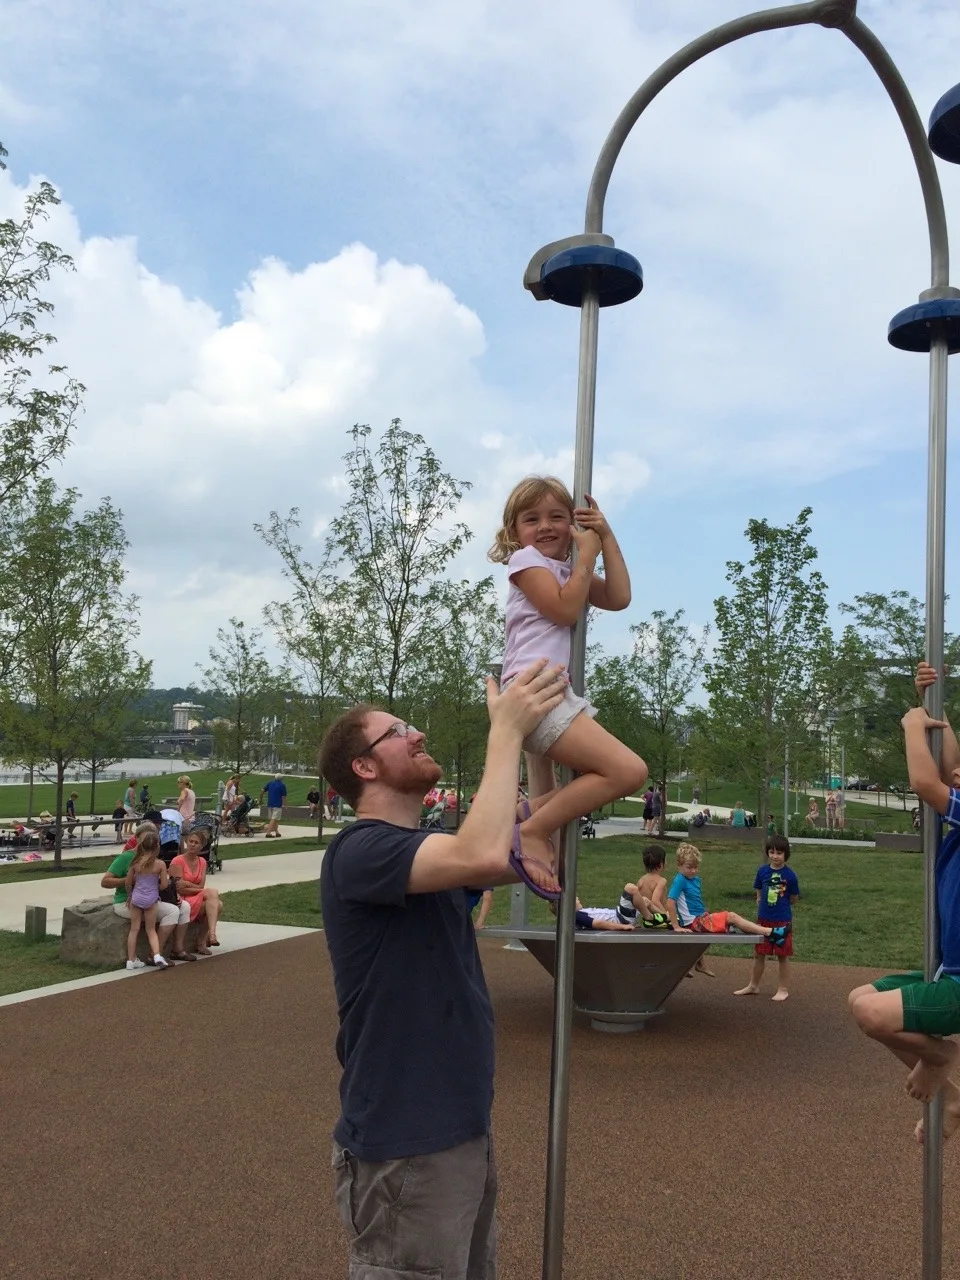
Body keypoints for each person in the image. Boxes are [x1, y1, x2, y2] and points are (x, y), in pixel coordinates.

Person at [319, 657, 566, 1276]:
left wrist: (537, 746)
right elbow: (482, 854)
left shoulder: (423, 852)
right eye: (397, 730)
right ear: (364, 766)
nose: (418, 733)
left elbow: (539, 855)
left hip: (457, 1127)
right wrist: (503, 732)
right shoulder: (361, 851)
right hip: (405, 1136)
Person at [488, 476, 647, 897]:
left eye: (557, 516)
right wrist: (586, 560)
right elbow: (561, 611)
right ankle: (534, 830)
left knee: (589, 780)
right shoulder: (525, 563)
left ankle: (528, 814)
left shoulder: (564, 570)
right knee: (628, 770)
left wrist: (605, 537)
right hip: (533, 689)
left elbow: (619, 597)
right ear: (513, 532)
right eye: (532, 518)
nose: (546, 526)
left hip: (551, 691)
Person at [849, 664, 960, 1145]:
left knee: (874, 1016)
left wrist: (914, 724)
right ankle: (951, 1090)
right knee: (860, 999)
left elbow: (926, 782)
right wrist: (933, 707)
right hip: (947, 973)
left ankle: (941, 1059)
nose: (955, 771)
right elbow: (944, 766)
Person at [666, 843, 790, 947]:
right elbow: (670, 902)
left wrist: (704, 912)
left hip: (701, 918)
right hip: (694, 923)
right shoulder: (680, 880)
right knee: (732, 917)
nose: (693, 870)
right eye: (689, 867)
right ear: (679, 865)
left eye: (696, 867)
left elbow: (693, 901)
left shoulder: (694, 879)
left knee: (733, 921)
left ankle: (771, 936)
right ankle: (771, 933)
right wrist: (676, 926)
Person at [101, 822, 193, 962]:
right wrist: (130, 880)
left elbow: (160, 884)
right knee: (172, 911)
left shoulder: (156, 861)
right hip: (127, 901)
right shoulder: (126, 858)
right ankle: (156, 953)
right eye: (146, 839)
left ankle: (177, 949)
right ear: (137, 838)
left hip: (148, 898)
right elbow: (105, 881)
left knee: (184, 906)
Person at [734, 834, 800, 1001]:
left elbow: (793, 898)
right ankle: (753, 985)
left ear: (786, 854)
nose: (775, 856)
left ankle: (783, 989)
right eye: (771, 852)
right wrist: (759, 897)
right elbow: (758, 887)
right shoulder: (762, 871)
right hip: (763, 920)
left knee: (782, 955)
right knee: (759, 954)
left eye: (779, 853)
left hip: (782, 921)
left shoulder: (790, 875)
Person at [122, 829, 170, 970]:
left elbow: (128, 882)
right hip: (152, 898)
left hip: (136, 897)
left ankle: (130, 960)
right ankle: (156, 955)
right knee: (151, 930)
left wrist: (130, 895)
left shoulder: (135, 862)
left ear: (141, 845)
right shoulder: (160, 864)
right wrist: (155, 889)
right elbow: (164, 885)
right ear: (157, 847)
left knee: (134, 929)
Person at [169, 829, 221, 953]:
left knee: (218, 903)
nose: (192, 844)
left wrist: (187, 883)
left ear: (201, 846)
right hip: (182, 898)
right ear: (186, 842)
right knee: (214, 896)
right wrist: (194, 887)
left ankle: (206, 937)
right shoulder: (177, 861)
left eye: (196, 842)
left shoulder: (202, 862)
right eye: (190, 841)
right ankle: (208, 937)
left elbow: (201, 886)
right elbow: (179, 888)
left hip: (195, 896)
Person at [616, 844, 671, 927]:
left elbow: (638, 902)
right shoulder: (661, 881)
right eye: (665, 860)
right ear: (660, 864)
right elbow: (655, 900)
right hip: (658, 918)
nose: (667, 862)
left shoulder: (641, 880)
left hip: (647, 918)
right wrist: (665, 914)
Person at [260, 773, 287, 838]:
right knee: (274, 819)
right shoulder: (282, 785)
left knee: (276, 819)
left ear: (275, 777)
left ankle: (277, 832)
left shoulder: (270, 783)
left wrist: (260, 798)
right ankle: (268, 833)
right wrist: (285, 804)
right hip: (277, 805)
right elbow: (283, 796)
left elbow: (262, 790)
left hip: (270, 804)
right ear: (281, 779)